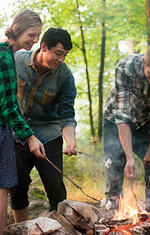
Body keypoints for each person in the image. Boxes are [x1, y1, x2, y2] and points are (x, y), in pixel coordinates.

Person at [10, 28, 77, 223]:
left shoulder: (65, 76)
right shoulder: (17, 60)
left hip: (49, 133)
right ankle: (20, 228)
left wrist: (70, 141)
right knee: (18, 186)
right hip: (18, 131)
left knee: (56, 189)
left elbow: (67, 114)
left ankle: (59, 228)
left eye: (65, 55)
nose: (62, 59)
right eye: (58, 53)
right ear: (44, 47)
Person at [103, 43, 150, 214]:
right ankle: (112, 219)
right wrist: (130, 158)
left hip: (147, 121)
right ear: (144, 63)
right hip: (115, 122)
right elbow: (122, 118)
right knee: (114, 169)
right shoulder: (125, 68)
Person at [0, 10, 44, 234]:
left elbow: (11, 102)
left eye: (38, 36)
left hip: (6, 129)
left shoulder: (8, 54)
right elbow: (8, 107)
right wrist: (30, 136)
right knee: (3, 186)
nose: (35, 40)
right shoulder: (5, 57)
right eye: (31, 35)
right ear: (17, 30)